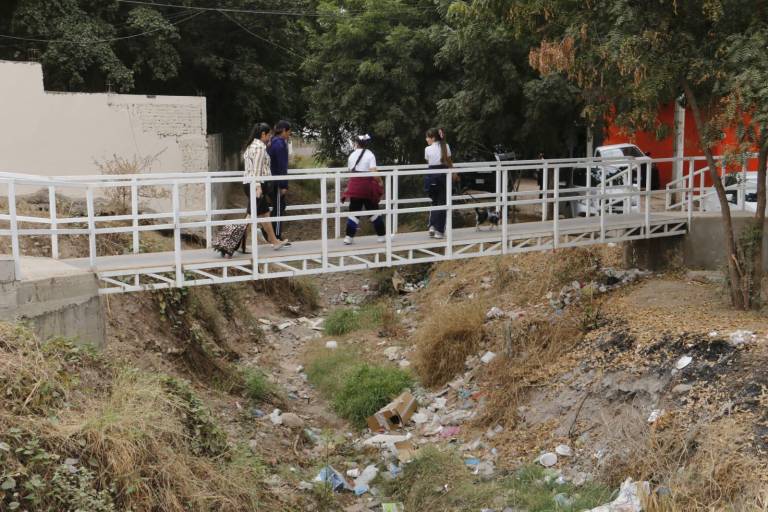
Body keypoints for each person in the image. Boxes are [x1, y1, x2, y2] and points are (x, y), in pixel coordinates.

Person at [242, 122, 286, 253]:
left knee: (264, 214)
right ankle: (236, 245)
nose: (270, 136)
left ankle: (274, 241)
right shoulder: (259, 147)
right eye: (269, 134)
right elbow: (256, 170)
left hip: (250, 184)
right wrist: (257, 187)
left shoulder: (251, 145)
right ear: (263, 134)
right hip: (256, 185)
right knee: (250, 217)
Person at [342, 134, 386, 245]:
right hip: (367, 188)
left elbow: (350, 171)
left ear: (356, 143)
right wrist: (380, 181)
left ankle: (348, 237)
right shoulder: (370, 155)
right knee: (374, 212)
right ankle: (381, 236)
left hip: (354, 187)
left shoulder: (352, 155)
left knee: (353, 212)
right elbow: (373, 172)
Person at [424, 127, 453, 239]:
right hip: (443, 177)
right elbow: (449, 162)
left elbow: (429, 162)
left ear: (433, 138)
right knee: (442, 203)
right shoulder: (446, 146)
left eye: (428, 137)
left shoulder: (427, 149)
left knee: (434, 202)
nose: (426, 139)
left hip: (431, 177)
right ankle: (439, 230)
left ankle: (432, 226)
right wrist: (454, 173)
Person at [267, 120, 291, 241]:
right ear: (284, 131)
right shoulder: (280, 144)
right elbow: (282, 166)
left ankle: (269, 234)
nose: (289, 135)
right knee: (279, 208)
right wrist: (284, 185)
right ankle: (275, 236)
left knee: (278, 207)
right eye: (289, 132)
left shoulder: (272, 142)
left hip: (271, 180)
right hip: (276, 181)